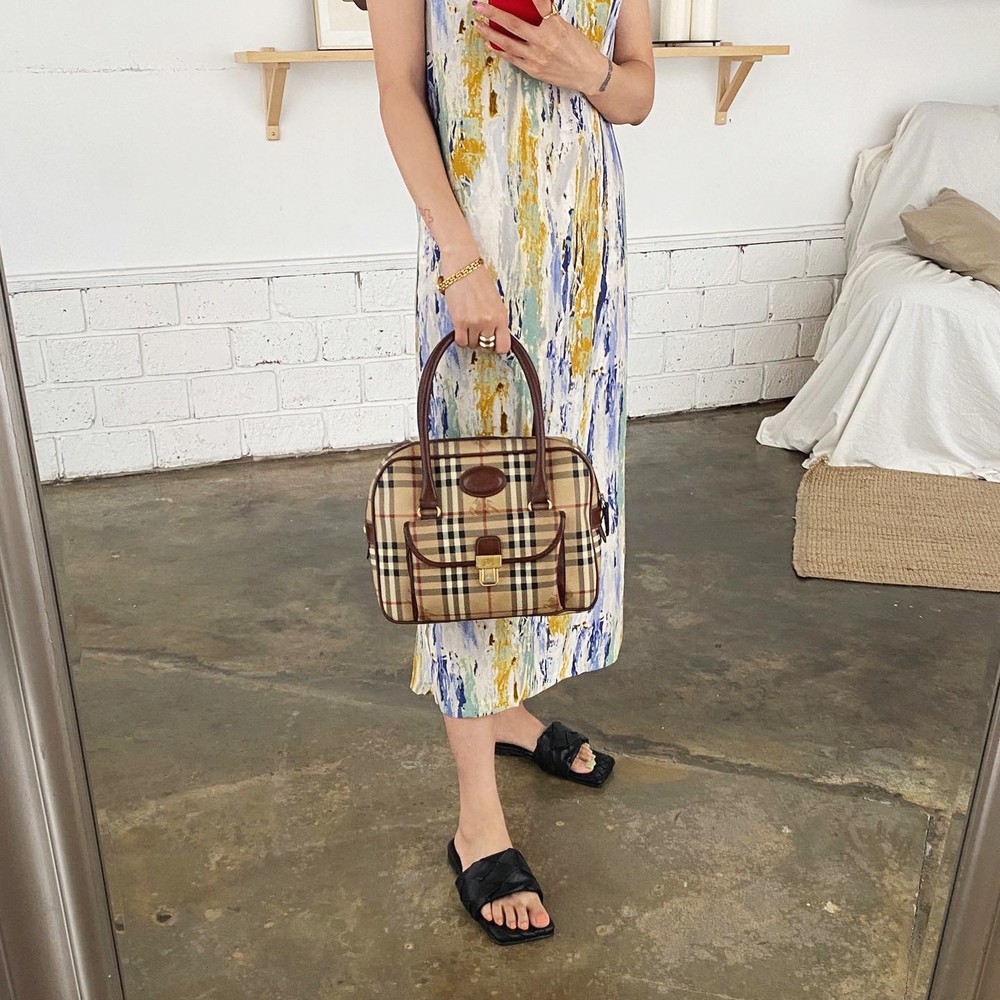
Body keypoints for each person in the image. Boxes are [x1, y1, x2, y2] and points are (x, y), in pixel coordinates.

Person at [368, 0, 654, 944]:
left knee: (551, 507)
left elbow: (637, 94)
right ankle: (476, 823)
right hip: (480, 249)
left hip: (586, 259)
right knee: (471, 522)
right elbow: (400, 91)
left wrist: (586, 67)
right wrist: (457, 255)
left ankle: (505, 710)